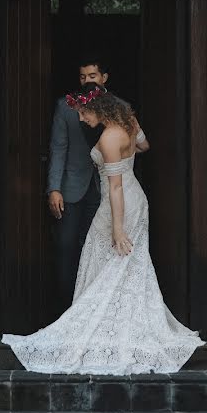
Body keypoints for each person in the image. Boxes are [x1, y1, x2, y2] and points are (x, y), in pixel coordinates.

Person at [4, 83, 203, 374]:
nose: (82, 119)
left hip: (119, 206)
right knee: (122, 265)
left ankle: (107, 328)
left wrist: (118, 229)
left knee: (108, 261)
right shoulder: (128, 123)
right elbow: (144, 146)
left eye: (83, 113)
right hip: (135, 200)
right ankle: (117, 324)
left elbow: (116, 186)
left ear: (96, 108)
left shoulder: (110, 137)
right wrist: (132, 139)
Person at [47, 58, 146, 310]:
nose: (80, 118)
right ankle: (70, 307)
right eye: (82, 76)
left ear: (104, 78)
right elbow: (59, 147)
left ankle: (99, 311)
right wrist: (54, 187)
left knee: (104, 251)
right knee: (72, 246)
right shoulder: (69, 108)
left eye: (92, 75)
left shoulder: (117, 120)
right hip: (85, 188)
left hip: (112, 192)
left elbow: (117, 183)